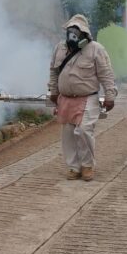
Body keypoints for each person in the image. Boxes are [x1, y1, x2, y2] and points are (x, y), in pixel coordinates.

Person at [48, 14, 117, 181]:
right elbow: (53, 71)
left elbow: (106, 74)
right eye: (71, 31)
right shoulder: (60, 48)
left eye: (77, 31)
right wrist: (53, 90)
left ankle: (87, 166)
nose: (73, 34)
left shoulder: (96, 49)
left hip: (88, 98)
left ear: (85, 34)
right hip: (65, 98)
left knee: (84, 130)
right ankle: (74, 167)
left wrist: (110, 95)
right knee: (68, 134)